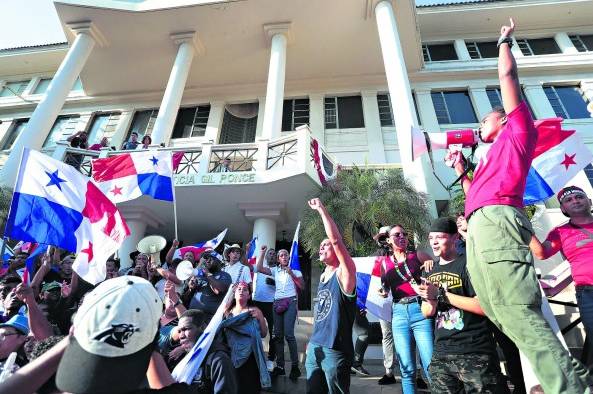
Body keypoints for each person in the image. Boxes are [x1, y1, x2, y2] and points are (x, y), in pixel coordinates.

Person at [445, 18, 591, 393]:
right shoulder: (489, 158)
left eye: (485, 118)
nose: (480, 124)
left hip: (497, 220)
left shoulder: (519, 129)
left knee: (515, 308)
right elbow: (474, 194)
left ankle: (573, 386)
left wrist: (504, 43)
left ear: (503, 118)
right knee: (495, 307)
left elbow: (509, 79)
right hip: (479, 222)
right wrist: (463, 169)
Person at [418, 218, 509, 393]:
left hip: (474, 351)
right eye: (431, 238)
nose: (434, 242)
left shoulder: (470, 264)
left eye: (440, 237)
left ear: (455, 237)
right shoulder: (429, 270)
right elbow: (427, 312)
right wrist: (429, 298)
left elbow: (484, 307)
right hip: (441, 353)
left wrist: (441, 294)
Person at [531, 186, 593, 367]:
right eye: (569, 200)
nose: (575, 200)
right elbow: (542, 253)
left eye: (579, 197)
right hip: (588, 293)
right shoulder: (560, 232)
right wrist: (525, 229)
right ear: (563, 209)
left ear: (589, 201)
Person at [305, 198, 357, 394]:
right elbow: (321, 315)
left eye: (325, 245)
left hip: (335, 350)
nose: (322, 247)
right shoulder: (324, 277)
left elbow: (336, 240)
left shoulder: (345, 273)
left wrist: (321, 209)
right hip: (316, 347)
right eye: (321, 245)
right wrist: (312, 340)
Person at [380, 225, 433, 394]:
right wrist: (383, 292)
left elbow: (438, 275)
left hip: (421, 310)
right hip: (399, 313)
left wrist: (432, 265)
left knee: (430, 364)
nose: (402, 236)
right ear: (388, 240)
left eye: (404, 234)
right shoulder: (385, 263)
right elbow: (385, 287)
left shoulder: (418, 256)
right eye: (397, 234)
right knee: (406, 368)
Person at [255, 246, 303, 379]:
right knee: (278, 336)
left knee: (289, 335)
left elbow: (302, 286)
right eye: (281, 255)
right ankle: (280, 367)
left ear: (289, 257)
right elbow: (258, 269)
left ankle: (294, 367)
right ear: (278, 259)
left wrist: (292, 274)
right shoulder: (275, 270)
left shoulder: (296, 271)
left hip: (291, 301)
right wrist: (262, 252)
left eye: (286, 254)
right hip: (277, 303)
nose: (284, 256)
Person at [221, 281, 271, 393]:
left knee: (249, 387)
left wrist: (261, 318)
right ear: (234, 294)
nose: (241, 291)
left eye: (245, 290)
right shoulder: (227, 312)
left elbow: (263, 334)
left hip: (250, 356)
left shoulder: (255, 311)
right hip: (230, 354)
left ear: (249, 295)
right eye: (239, 289)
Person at [372, 226, 398, 385]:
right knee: (387, 336)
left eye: (385, 237)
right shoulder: (376, 256)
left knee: (407, 336)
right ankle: (389, 372)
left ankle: (416, 374)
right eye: (380, 238)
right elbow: (370, 277)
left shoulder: (403, 253)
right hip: (384, 302)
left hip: (403, 300)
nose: (382, 241)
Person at [182, 251, 232, 322]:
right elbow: (185, 300)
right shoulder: (200, 276)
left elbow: (219, 290)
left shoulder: (224, 275)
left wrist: (208, 274)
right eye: (206, 258)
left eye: (211, 258)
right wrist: (191, 289)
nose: (207, 260)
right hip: (191, 316)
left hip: (208, 318)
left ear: (219, 261)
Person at [251, 246, 277, 369]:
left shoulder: (278, 270)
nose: (271, 255)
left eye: (273, 253)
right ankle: (254, 355)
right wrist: (261, 252)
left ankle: (271, 359)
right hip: (257, 302)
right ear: (266, 257)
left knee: (273, 333)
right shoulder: (260, 268)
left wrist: (274, 283)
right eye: (269, 253)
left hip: (272, 303)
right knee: (253, 330)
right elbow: (249, 266)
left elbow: (285, 286)